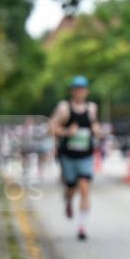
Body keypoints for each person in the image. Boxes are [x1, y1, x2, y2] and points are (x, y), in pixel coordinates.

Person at [50, 75, 102, 240]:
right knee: (72, 189)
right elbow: (51, 128)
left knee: (85, 188)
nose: (79, 92)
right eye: (76, 89)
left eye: (82, 89)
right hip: (68, 156)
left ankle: (82, 227)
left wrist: (97, 131)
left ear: (86, 91)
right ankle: (68, 200)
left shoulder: (92, 108)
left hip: (86, 155)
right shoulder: (64, 108)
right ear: (72, 91)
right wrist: (67, 132)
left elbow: (94, 125)